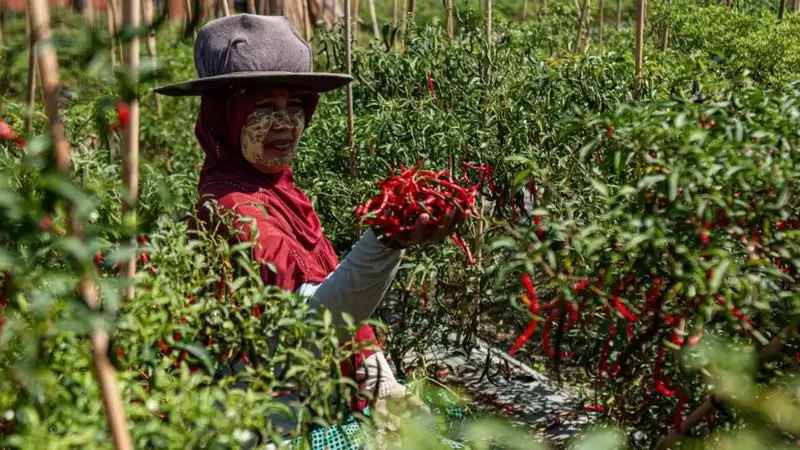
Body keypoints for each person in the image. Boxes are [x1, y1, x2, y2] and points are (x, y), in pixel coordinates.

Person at [154, 14, 467, 449]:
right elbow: (314, 323)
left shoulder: (279, 192)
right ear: (225, 116)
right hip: (265, 425)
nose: (285, 122)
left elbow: (329, 301)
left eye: (295, 106)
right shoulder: (232, 208)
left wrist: (381, 381)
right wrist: (385, 241)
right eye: (264, 108)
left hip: (303, 403)